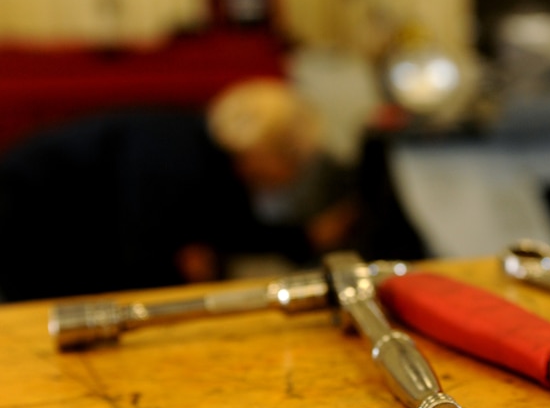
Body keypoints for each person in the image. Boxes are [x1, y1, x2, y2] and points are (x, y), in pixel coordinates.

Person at [0, 77, 358, 302]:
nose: (296, 175)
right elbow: (140, 257)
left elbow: (232, 227)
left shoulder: (210, 150)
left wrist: (307, 238)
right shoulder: (178, 161)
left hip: (59, 221)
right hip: (26, 220)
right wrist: (184, 269)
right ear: (265, 153)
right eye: (294, 164)